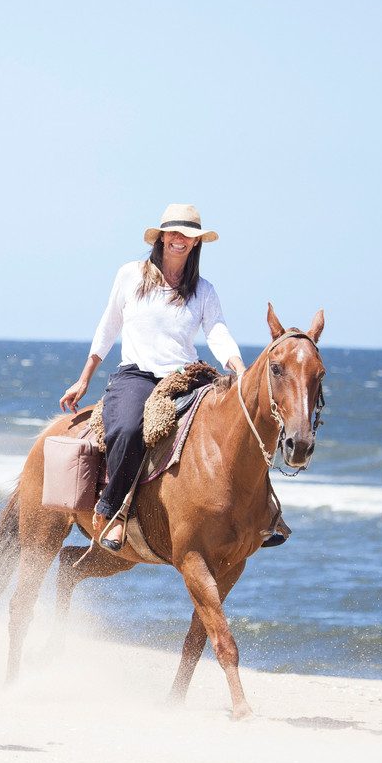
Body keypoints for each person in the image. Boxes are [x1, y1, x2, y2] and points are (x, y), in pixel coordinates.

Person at [59, 204, 246, 552]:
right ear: (161, 237)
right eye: (174, 232)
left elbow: (217, 331)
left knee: (237, 424)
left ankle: (263, 512)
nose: (180, 239)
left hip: (187, 376)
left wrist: (239, 367)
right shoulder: (131, 275)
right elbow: (108, 327)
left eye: (189, 235)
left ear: (196, 244)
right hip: (138, 375)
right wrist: (84, 379)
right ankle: (114, 512)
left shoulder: (203, 290)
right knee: (129, 428)